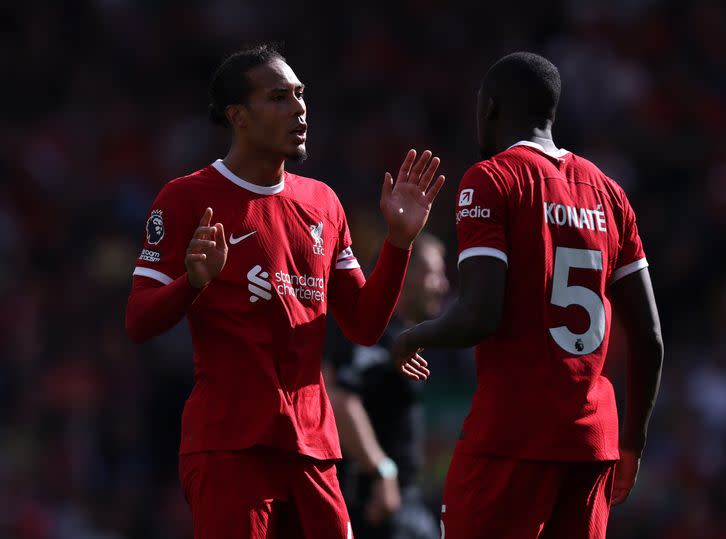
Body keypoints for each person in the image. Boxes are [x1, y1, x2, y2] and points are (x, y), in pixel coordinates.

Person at [124, 43, 445, 539]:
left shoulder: (322, 203)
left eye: (299, 95)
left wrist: (399, 244)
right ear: (239, 116)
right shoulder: (188, 198)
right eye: (278, 97)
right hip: (231, 447)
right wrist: (193, 282)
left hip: (314, 448)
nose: (298, 108)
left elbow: (363, 324)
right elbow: (139, 321)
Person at [392, 52, 664, 539]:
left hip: (512, 437)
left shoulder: (492, 179)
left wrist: (413, 336)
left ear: (490, 108)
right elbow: (649, 336)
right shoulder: (609, 193)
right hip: (591, 442)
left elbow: (480, 314)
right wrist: (633, 442)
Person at [327, 234, 451, 539]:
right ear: (406, 273)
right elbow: (341, 400)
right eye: (434, 274)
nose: (444, 285)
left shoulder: (403, 337)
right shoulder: (377, 334)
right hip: (377, 504)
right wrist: (382, 471)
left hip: (403, 500)